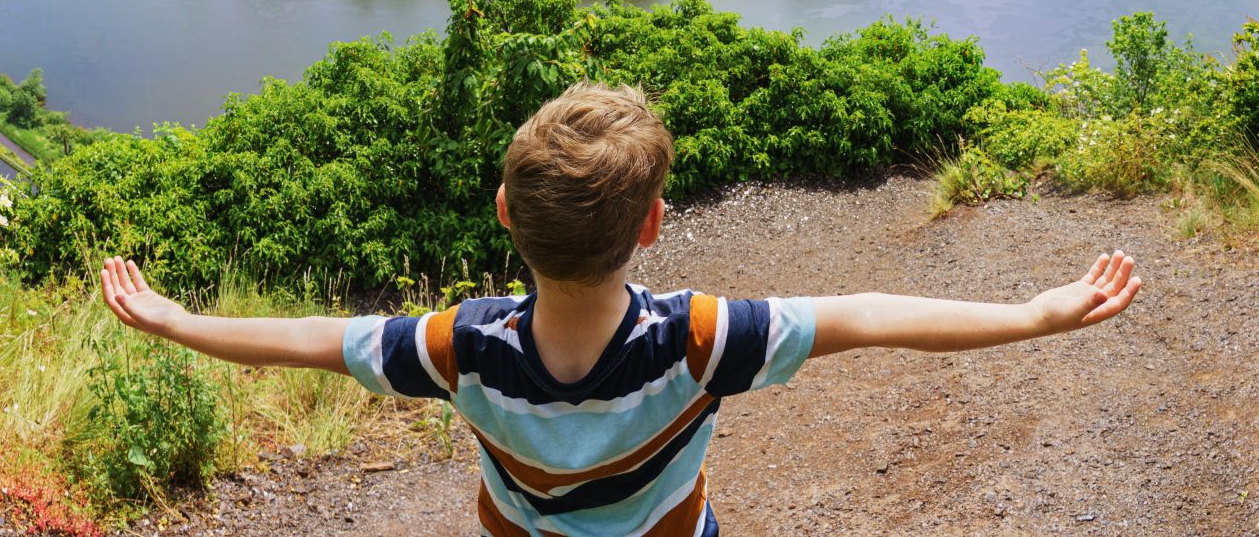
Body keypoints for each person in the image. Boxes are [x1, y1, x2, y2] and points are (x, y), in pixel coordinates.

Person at [97, 81, 1142, 535]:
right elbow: (867, 313)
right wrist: (1033, 314)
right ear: (650, 227)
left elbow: (308, 342)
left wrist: (180, 319)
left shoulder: (460, 350)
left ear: (505, 213)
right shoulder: (698, 342)